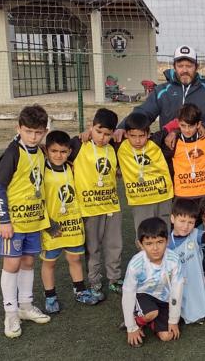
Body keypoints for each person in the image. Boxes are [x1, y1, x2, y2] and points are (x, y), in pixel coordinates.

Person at [0, 105, 52, 338]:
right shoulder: (12, 153)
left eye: (38, 132)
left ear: (45, 131)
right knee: (12, 264)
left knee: (28, 262)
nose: (33, 137)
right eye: (28, 131)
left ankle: (26, 306)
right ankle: (11, 313)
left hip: (33, 221)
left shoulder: (40, 151)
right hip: (13, 223)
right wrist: (5, 221)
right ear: (19, 128)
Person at [40, 130, 102, 314]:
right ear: (46, 151)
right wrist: (48, 224)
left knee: (75, 258)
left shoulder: (72, 167)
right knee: (49, 262)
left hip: (73, 223)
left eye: (63, 151)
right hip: (52, 226)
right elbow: (38, 200)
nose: (58, 155)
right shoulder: (42, 171)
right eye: (54, 151)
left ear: (68, 151)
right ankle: (50, 296)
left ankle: (80, 290)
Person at [114, 45, 205, 142]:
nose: (184, 70)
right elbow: (144, 112)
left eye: (189, 66)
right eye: (180, 66)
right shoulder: (162, 91)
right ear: (174, 67)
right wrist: (123, 127)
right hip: (169, 150)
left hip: (200, 152)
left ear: (196, 67)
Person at [70, 108, 123, 294]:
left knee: (114, 244)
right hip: (89, 208)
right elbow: (57, 153)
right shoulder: (78, 144)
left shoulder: (114, 146)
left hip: (112, 206)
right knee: (92, 247)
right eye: (98, 131)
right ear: (91, 127)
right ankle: (94, 280)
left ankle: (114, 278)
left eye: (107, 134)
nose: (102, 137)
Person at [121, 217, 183, 347]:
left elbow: (176, 290)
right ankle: (138, 320)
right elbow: (128, 293)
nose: (155, 248)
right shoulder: (136, 264)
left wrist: (173, 320)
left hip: (164, 298)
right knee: (151, 312)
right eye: (149, 244)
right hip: (142, 294)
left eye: (160, 242)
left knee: (167, 336)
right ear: (140, 244)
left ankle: (151, 322)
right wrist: (131, 327)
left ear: (167, 241)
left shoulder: (174, 260)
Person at [117, 112, 173, 233]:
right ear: (126, 134)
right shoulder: (119, 145)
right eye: (133, 136)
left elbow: (173, 124)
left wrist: (175, 132)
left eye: (142, 136)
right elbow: (99, 135)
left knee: (164, 233)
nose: (137, 140)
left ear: (148, 134)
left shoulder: (156, 141)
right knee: (143, 234)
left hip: (163, 197)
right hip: (140, 200)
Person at [166, 198, 205, 324]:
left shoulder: (195, 234)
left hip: (195, 282)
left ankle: (200, 306)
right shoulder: (166, 242)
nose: (186, 226)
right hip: (176, 286)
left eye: (190, 222)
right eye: (182, 221)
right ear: (173, 219)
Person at [171, 103, 205, 202]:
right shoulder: (173, 141)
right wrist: (174, 132)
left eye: (191, 126)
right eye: (183, 126)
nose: (187, 130)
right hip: (182, 194)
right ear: (178, 123)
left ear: (198, 124)